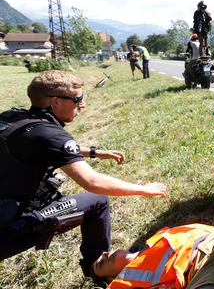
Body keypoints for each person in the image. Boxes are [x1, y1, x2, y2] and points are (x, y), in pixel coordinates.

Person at [0, 71, 167, 278]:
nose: (83, 104)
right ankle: (98, 272)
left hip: (6, 210)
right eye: (77, 99)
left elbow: (49, 147)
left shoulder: (13, 118)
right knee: (98, 200)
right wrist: (143, 189)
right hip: (12, 226)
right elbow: (92, 181)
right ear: (55, 102)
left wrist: (96, 152)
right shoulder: (50, 135)